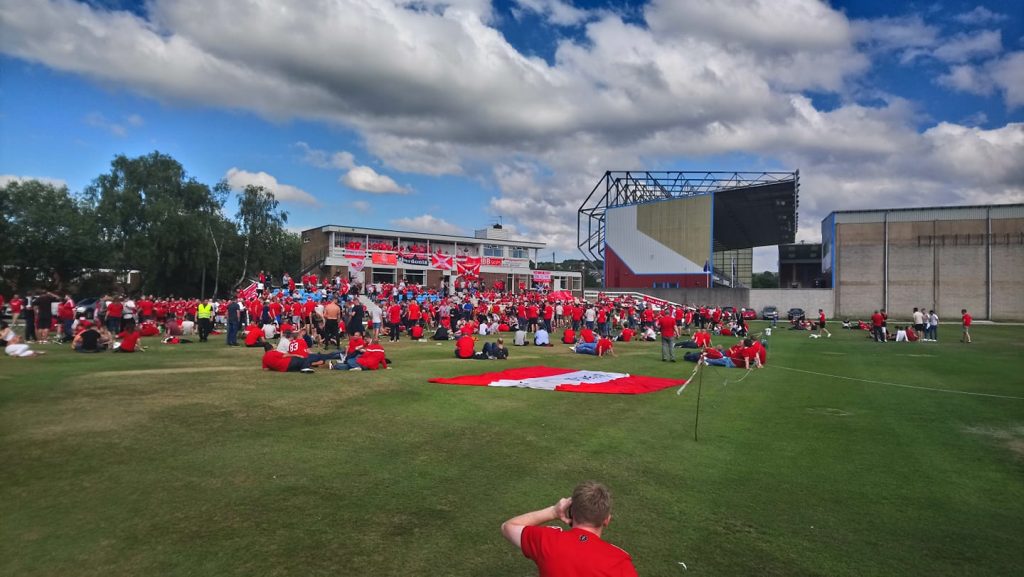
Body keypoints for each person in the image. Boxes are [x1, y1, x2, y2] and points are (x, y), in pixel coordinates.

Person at [501, 481, 637, 577]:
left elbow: (508, 527)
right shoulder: (619, 561)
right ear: (606, 520)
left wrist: (553, 512)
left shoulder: (548, 541)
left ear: (571, 512)